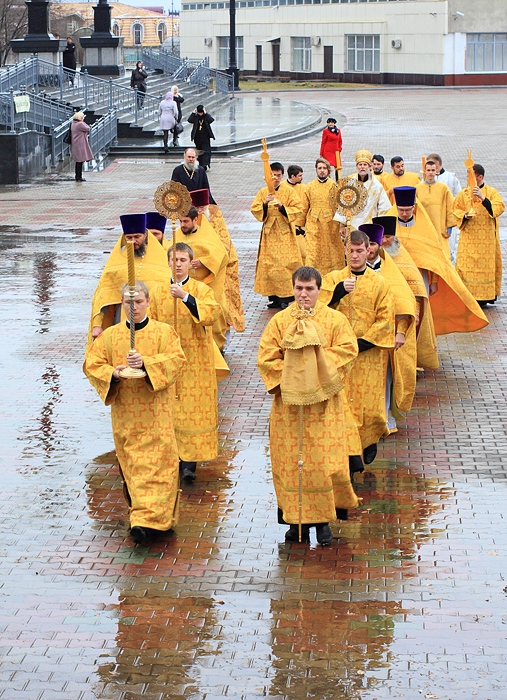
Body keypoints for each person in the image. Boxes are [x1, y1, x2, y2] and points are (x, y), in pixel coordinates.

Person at [257, 266, 359, 545]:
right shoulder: (279, 321)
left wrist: (314, 372)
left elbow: (348, 351)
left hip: (323, 408)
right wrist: (293, 376)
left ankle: (323, 522)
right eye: (299, 289)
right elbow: (266, 358)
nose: (303, 294)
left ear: (319, 290)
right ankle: (294, 521)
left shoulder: (335, 319)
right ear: (293, 289)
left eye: (309, 289)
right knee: (290, 465)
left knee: (322, 464)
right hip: (289, 409)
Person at [84, 281, 186, 546]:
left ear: (149, 302)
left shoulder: (164, 332)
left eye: (139, 301)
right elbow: (92, 364)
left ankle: (152, 521)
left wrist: (146, 363)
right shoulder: (110, 337)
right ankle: (141, 517)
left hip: (157, 415)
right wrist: (114, 373)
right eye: (129, 302)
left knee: (159, 468)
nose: (134, 307)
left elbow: (177, 361)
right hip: (127, 417)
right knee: (135, 468)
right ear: (122, 304)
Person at [320, 230, 395, 466]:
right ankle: (350, 454)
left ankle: (370, 439)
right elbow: (319, 309)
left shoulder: (380, 283)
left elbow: (385, 320)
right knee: (343, 403)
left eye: (359, 251)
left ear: (368, 251)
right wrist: (339, 291)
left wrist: (363, 343)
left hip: (368, 354)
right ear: (345, 251)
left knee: (368, 404)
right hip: (340, 354)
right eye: (350, 251)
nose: (354, 255)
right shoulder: (333, 279)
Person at [150, 243, 222, 483]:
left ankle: (189, 463)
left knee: (192, 412)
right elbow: (152, 324)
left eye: (182, 260)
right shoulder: (158, 292)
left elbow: (211, 315)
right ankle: (172, 459)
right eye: (174, 259)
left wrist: (185, 297)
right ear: (168, 262)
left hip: (195, 363)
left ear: (190, 263)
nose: (178, 264)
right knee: (169, 411)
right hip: (167, 361)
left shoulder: (202, 290)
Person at [388, 186, 488, 336]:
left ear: (414, 207)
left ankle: (421, 341)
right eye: (401, 210)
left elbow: (434, 256)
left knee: (420, 310)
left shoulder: (425, 226)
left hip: (420, 275)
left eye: (408, 210)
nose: (404, 213)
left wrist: (433, 281)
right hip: (396, 275)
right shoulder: (389, 224)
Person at [361, 223, 417, 432]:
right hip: (359, 336)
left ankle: (383, 419)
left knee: (384, 378)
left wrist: (400, 332)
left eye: (372, 244)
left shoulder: (390, 271)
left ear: (378, 247)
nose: (368, 249)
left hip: (385, 336)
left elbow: (404, 303)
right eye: (364, 245)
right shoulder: (348, 272)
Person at [88, 213, 170, 345]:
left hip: (153, 318)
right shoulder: (117, 261)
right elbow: (103, 294)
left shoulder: (159, 259)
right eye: (129, 237)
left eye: (137, 237)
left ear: (145, 236)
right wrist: (97, 324)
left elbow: (168, 292)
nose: (133, 241)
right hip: (122, 317)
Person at [374, 215, 439, 371]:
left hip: (400, 311)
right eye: (381, 237)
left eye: (388, 237)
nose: (384, 241)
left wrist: (414, 311)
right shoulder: (369, 256)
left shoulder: (401, 256)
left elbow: (415, 288)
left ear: (394, 237)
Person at [174, 205, 229, 350]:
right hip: (185, 286)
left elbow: (222, 255)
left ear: (195, 220)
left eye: (186, 221)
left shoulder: (207, 234)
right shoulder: (177, 235)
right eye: (181, 221)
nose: (183, 225)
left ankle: (216, 348)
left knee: (212, 314)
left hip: (208, 285)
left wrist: (204, 262)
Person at [190, 188, 245, 335]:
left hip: (220, 267)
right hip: (197, 272)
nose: (200, 211)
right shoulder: (191, 222)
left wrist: (206, 261)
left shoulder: (215, 218)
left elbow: (223, 246)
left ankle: (222, 331)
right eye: (197, 208)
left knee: (221, 300)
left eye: (202, 207)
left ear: (207, 206)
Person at [251, 162, 303, 309]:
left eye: (278, 175)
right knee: (269, 265)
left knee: (285, 265)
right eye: (272, 175)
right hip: (269, 233)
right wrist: (265, 204)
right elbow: (255, 209)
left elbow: (298, 208)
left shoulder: (289, 191)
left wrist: (282, 207)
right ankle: (273, 296)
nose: (275, 178)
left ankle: (286, 297)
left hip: (285, 233)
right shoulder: (263, 192)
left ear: (282, 176)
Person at [452, 164, 505, 307]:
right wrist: (464, 215)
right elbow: (455, 209)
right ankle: (467, 297)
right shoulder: (463, 193)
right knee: (466, 267)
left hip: (486, 241)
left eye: (471, 176)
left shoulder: (491, 192)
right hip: (468, 239)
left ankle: (484, 298)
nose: (468, 180)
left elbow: (499, 208)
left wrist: (483, 198)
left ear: (480, 177)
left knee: (484, 269)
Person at [299, 157, 344, 275]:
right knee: (312, 250)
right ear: (316, 170)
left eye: (324, 168)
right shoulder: (309, 186)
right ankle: (310, 275)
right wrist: (299, 224)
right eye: (320, 168)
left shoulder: (335, 186)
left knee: (332, 250)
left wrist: (342, 224)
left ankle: (334, 275)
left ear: (328, 170)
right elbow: (304, 206)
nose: (322, 170)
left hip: (331, 224)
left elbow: (340, 206)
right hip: (313, 223)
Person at [333, 149, 391, 231]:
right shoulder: (350, 184)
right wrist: (342, 225)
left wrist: (380, 226)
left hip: (370, 225)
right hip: (352, 225)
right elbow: (343, 205)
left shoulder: (376, 186)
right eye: (360, 164)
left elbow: (383, 207)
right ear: (356, 167)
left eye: (365, 164)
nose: (362, 167)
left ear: (369, 167)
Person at [416, 160, 457, 260]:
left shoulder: (443, 188)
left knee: (441, 255)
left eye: (433, 170)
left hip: (439, 226)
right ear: (425, 171)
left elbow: (451, 206)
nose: (430, 173)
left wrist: (450, 226)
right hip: (423, 227)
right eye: (428, 170)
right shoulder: (417, 188)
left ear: (436, 171)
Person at [286, 165, 307, 262]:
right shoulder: (283, 188)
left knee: (304, 253)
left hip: (301, 227)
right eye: (300, 176)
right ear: (292, 176)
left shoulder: (304, 187)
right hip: (287, 226)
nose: (302, 178)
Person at [188, 105, 215, 170]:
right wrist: (193, 113)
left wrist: (206, 113)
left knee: (206, 151)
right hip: (197, 137)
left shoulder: (205, 116)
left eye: (201, 112)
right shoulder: (195, 117)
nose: (200, 114)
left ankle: (205, 164)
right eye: (199, 112)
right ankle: (200, 164)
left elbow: (211, 120)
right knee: (199, 151)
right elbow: (189, 120)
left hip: (205, 137)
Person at [70, 111, 93, 183]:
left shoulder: (73, 124)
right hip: (80, 144)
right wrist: (83, 122)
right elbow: (88, 128)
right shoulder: (80, 124)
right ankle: (79, 177)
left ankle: (78, 176)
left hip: (75, 144)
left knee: (78, 161)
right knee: (80, 161)